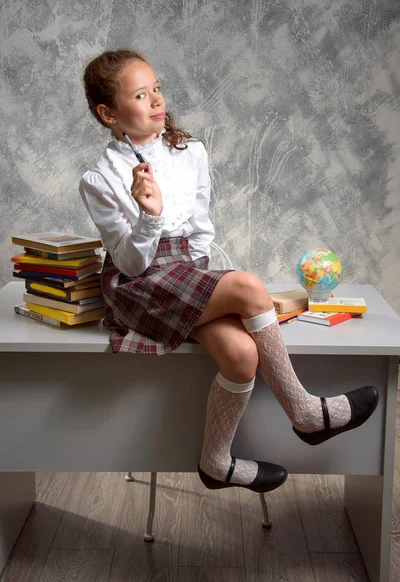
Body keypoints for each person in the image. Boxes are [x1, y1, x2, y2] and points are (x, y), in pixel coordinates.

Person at [79, 49, 379, 494]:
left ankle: (215, 463)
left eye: (157, 88)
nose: (157, 100)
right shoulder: (100, 178)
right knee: (247, 285)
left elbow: (199, 231)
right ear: (109, 113)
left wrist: (204, 285)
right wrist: (150, 216)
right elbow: (131, 264)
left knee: (242, 355)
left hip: (186, 276)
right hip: (139, 285)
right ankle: (305, 413)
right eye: (141, 95)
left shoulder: (190, 151)